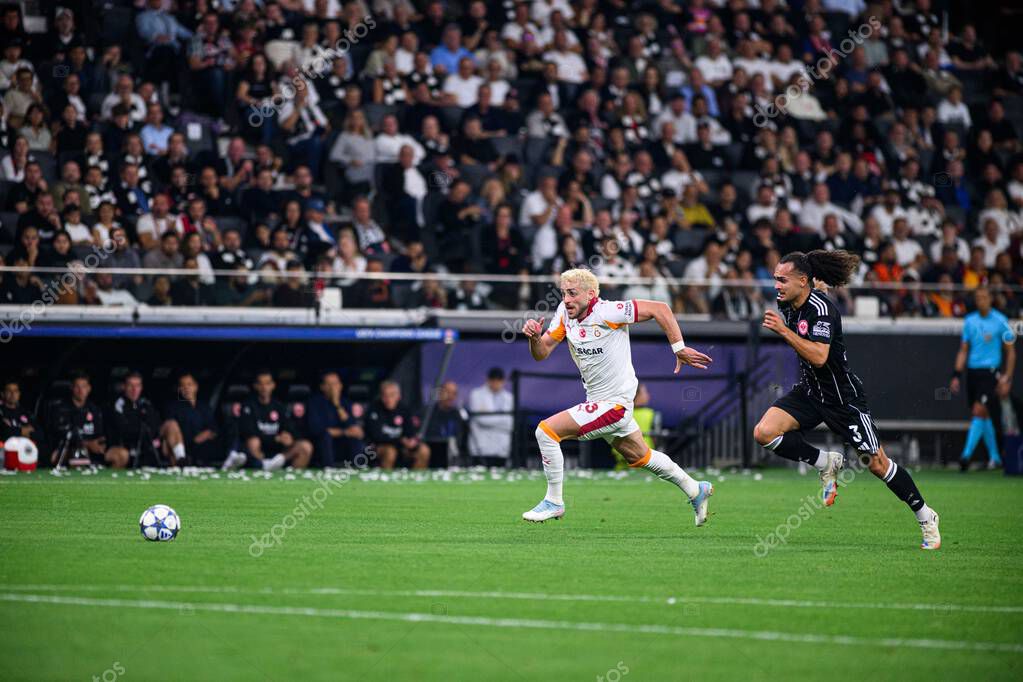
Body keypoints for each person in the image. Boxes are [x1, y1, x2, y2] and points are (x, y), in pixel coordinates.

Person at [754, 250, 942, 550]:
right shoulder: (789, 300)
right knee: (764, 432)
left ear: (802, 281)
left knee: (876, 464)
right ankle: (825, 462)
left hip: (843, 399)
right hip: (811, 392)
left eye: (782, 280)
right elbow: (817, 288)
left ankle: (925, 515)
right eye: (775, 278)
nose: (776, 285)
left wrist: (784, 331)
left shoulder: (822, 310)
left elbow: (819, 357)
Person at [519, 268, 715, 524]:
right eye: (564, 293)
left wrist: (678, 348)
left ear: (591, 294)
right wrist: (534, 338)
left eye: (572, 293)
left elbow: (660, 309)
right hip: (598, 402)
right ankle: (695, 489)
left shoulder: (609, 312)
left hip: (614, 405)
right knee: (641, 456)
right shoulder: (565, 315)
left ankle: (554, 501)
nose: (566, 299)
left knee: (546, 431)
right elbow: (542, 352)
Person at [951, 287, 1016, 471]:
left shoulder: (1001, 320)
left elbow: (1011, 352)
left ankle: (965, 456)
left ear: (990, 299)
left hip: (990, 372)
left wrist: (1007, 377)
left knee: (979, 411)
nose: (981, 301)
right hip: (973, 373)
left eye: (984, 297)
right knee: (982, 415)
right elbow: (963, 350)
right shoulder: (970, 321)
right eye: (978, 297)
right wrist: (956, 374)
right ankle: (995, 457)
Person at [224, 370, 313, 471]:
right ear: (255, 386)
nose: (264, 387)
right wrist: (274, 438)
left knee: (305, 446)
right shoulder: (248, 406)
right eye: (261, 384)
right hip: (259, 451)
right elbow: (248, 433)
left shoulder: (279, 406)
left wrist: (289, 437)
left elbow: (291, 428)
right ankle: (261, 466)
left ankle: (290, 475)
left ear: (273, 385)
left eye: (267, 383)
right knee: (253, 442)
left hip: (278, 454)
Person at [48, 373, 125, 468]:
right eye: (77, 387)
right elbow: (62, 435)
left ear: (89, 388)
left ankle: (107, 477)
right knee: (73, 454)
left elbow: (100, 434)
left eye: (84, 387)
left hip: (93, 450)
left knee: (121, 454)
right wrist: (87, 444)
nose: (80, 391)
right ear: (72, 388)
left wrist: (101, 444)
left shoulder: (94, 410)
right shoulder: (61, 409)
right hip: (70, 449)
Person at [364, 381, 430, 470]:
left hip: (401, 447)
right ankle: (385, 478)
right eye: (385, 395)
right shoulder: (374, 410)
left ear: (398, 396)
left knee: (424, 450)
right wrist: (401, 440)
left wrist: (411, 441)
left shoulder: (404, 410)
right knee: (390, 452)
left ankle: (416, 478)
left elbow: (410, 432)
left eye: (392, 395)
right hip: (378, 448)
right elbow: (377, 437)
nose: (388, 399)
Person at [306, 371, 365, 467]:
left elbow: (353, 428)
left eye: (336, 384)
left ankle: (357, 467)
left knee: (355, 438)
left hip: (342, 445)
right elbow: (316, 430)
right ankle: (329, 468)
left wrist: (337, 405)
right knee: (325, 436)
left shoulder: (346, 403)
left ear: (341, 386)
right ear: (322, 387)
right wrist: (344, 432)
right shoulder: (314, 403)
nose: (333, 388)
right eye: (329, 384)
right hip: (322, 446)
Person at [106, 372, 164, 468]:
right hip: (125, 448)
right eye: (130, 385)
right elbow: (123, 430)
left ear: (141, 387)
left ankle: (181, 464)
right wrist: (142, 430)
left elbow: (154, 426)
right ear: (124, 387)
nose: (134, 389)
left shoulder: (145, 404)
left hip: (145, 447)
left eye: (137, 385)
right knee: (121, 455)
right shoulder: (118, 405)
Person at [162, 373, 219, 466]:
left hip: (204, 446)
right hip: (183, 446)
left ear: (196, 386)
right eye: (183, 385)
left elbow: (214, 428)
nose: (186, 388)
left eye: (189, 384)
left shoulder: (204, 407)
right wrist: (193, 440)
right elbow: (170, 429)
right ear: (179, 389)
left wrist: (207, 434)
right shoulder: (173, 407)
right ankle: (182, 461)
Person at [467, 367, 514, 462]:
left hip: (502, 448)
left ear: (503, 381)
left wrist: (490, 418)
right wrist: (502, 419)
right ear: (488, 380)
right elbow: (482, 420)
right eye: (493, 380)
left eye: (499, 380)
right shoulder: (476, 394)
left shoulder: (509, 398)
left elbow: (511, 424)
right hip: (480, 449)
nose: (496, 383)